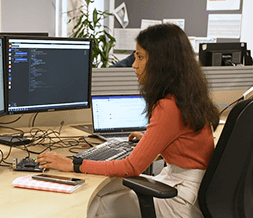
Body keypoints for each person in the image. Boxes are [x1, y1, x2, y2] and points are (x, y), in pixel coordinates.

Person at [36, 24, 219, 218]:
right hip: (192, 189)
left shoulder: (169, 106)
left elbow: (131, 167)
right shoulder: (187, 96)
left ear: (160, 62)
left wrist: (73, 164)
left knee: (95, 202)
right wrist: (150, 139)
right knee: (106, 187)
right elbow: (181, 141)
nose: (134, 65)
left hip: (179, 201)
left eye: (140, 57)